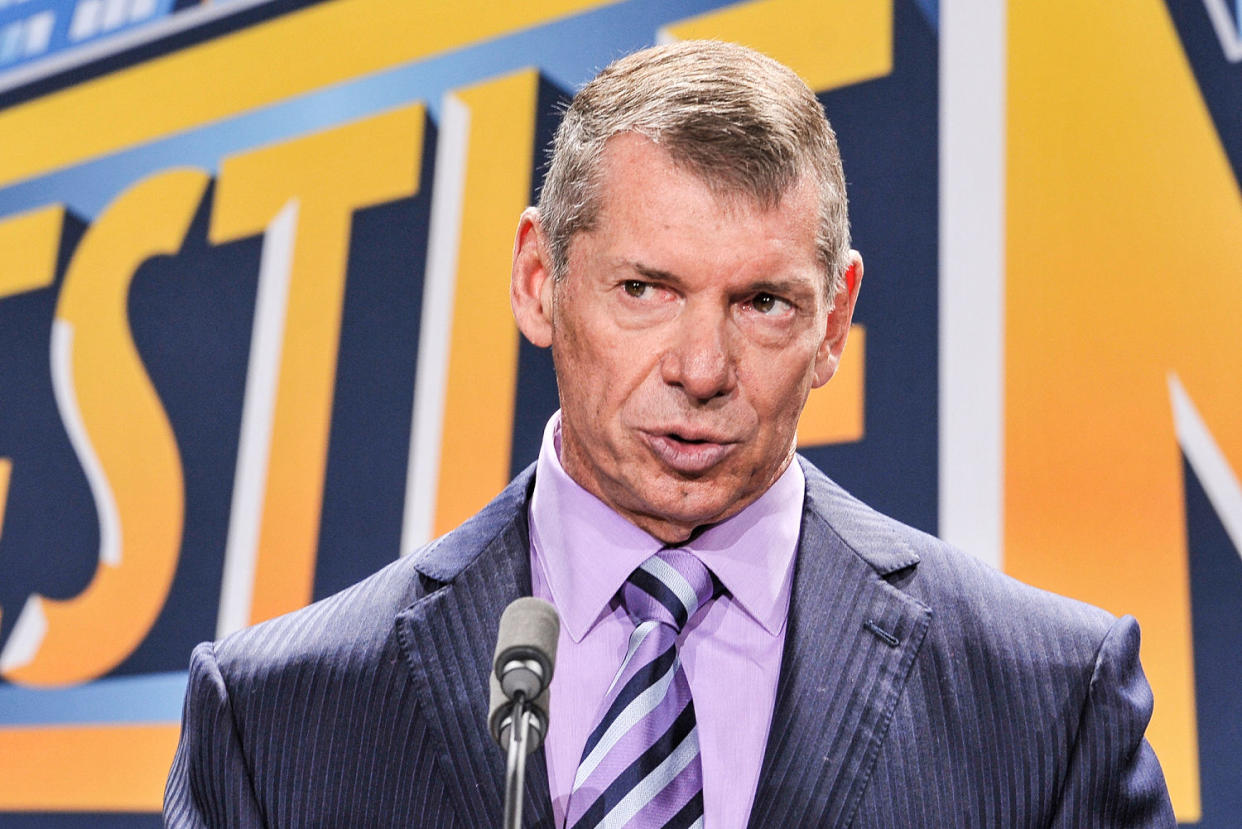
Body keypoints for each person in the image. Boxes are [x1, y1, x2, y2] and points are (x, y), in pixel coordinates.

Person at [165, 40, 1175, 827]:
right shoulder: (277, 716)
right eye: (645, 289)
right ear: (538, 279)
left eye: (765, 303)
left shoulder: (1049, 702)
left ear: (834, 321)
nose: (701, 369)